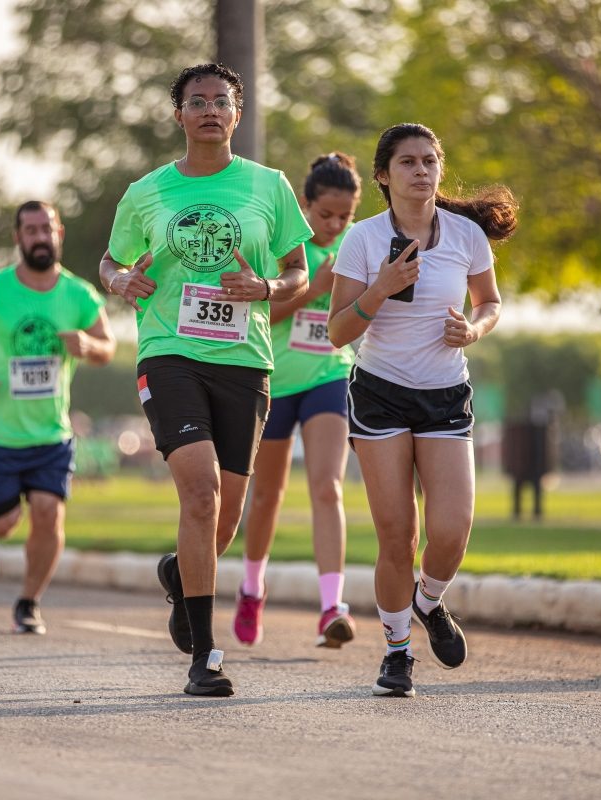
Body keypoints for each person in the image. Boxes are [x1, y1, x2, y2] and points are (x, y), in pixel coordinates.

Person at [100, 63, 312, 696]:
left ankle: (180, 573)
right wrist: (119, 280)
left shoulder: (269, 186)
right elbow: (110, 260)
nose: (210, 110)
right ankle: (204, 658)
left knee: (224, 516)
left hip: (245, 360)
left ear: (237, 115)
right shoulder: (147, 192)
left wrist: (265, 286)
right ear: (179, 116)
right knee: (200, 493)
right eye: (197, 102)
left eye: (222, 101)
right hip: (169, 352)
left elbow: (299, 272)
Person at [327, 123, 515, 697]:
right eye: (407, 162)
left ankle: (428, 601)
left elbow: (490, 302)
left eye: (429, 161)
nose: (421, 170)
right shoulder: (362, 240)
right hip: (380, 393)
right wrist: (380, 288)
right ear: (383, 176)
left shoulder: (465, 236)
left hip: (444, 395)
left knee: (452, 530)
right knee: (397, 537)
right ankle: (396, 652)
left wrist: (474, 329)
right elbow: (338, 331)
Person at [0, 201, 115, 634]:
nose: (40, 237)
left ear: (59, 233)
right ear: (18, 237)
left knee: (48, 513)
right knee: (4, 521)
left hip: (50, 433)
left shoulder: (79, 294)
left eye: (47, 228)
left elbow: (108, 346)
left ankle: (29, 602)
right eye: (31, 230)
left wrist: (88, 345)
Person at [236, 153, 361, 648]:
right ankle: (251, 589)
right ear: (305, 204)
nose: (334, 225)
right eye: (325, 214)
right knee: (267, 495)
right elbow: (262, 314)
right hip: (275, 380)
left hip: (330, 375)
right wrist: (316, 289)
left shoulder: (356, 247)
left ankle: (332, 606)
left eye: (344, 216)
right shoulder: (283, 246)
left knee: (328, 487)